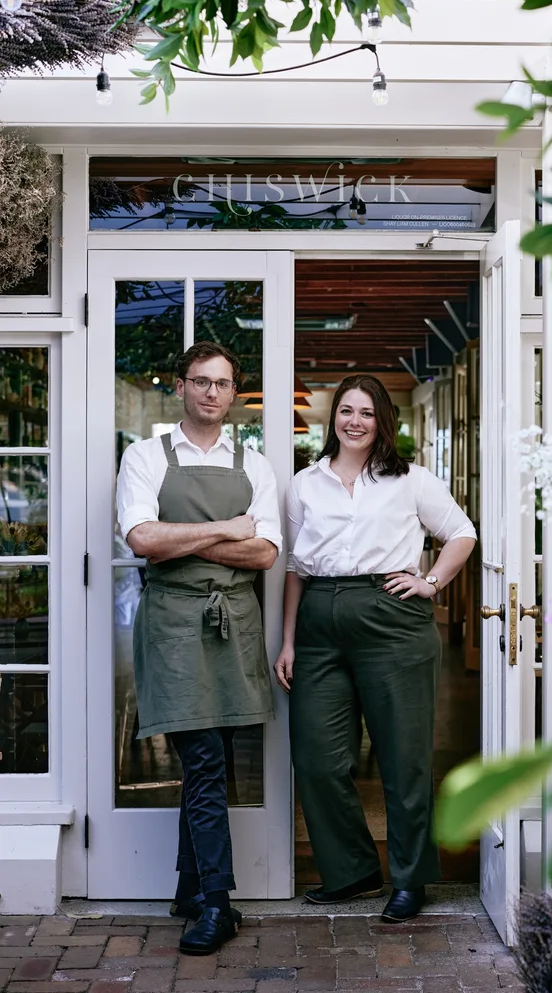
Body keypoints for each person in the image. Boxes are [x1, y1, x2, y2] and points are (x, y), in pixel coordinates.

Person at [275, 374, 476, 923]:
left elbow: (462, 533)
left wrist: (430, 582)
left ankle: (411, 879)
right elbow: (294, 566)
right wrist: (288, 641)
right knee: (316, 758)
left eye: (366, 412)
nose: (355, 421)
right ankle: (352, 872)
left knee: (403, 758)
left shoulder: (411, 480)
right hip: (319, 622)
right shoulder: (304, 484)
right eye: (347, 410)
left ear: (382, 420)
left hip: (392, 620)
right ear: (333, 417)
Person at [116, 341, 281, 955]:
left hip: (233, 621)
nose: (211, 392)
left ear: (234, 393)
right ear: (180, 386)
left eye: (222, 383)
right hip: (173, 625)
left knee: (215, 756)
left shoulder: (255, 464)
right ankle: (218, 903)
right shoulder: (144, 456)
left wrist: (182, 538)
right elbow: (141, 538)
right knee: (205, 758)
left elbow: (265, 552)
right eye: (200, 381)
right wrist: (225, 529)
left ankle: (189, 888)